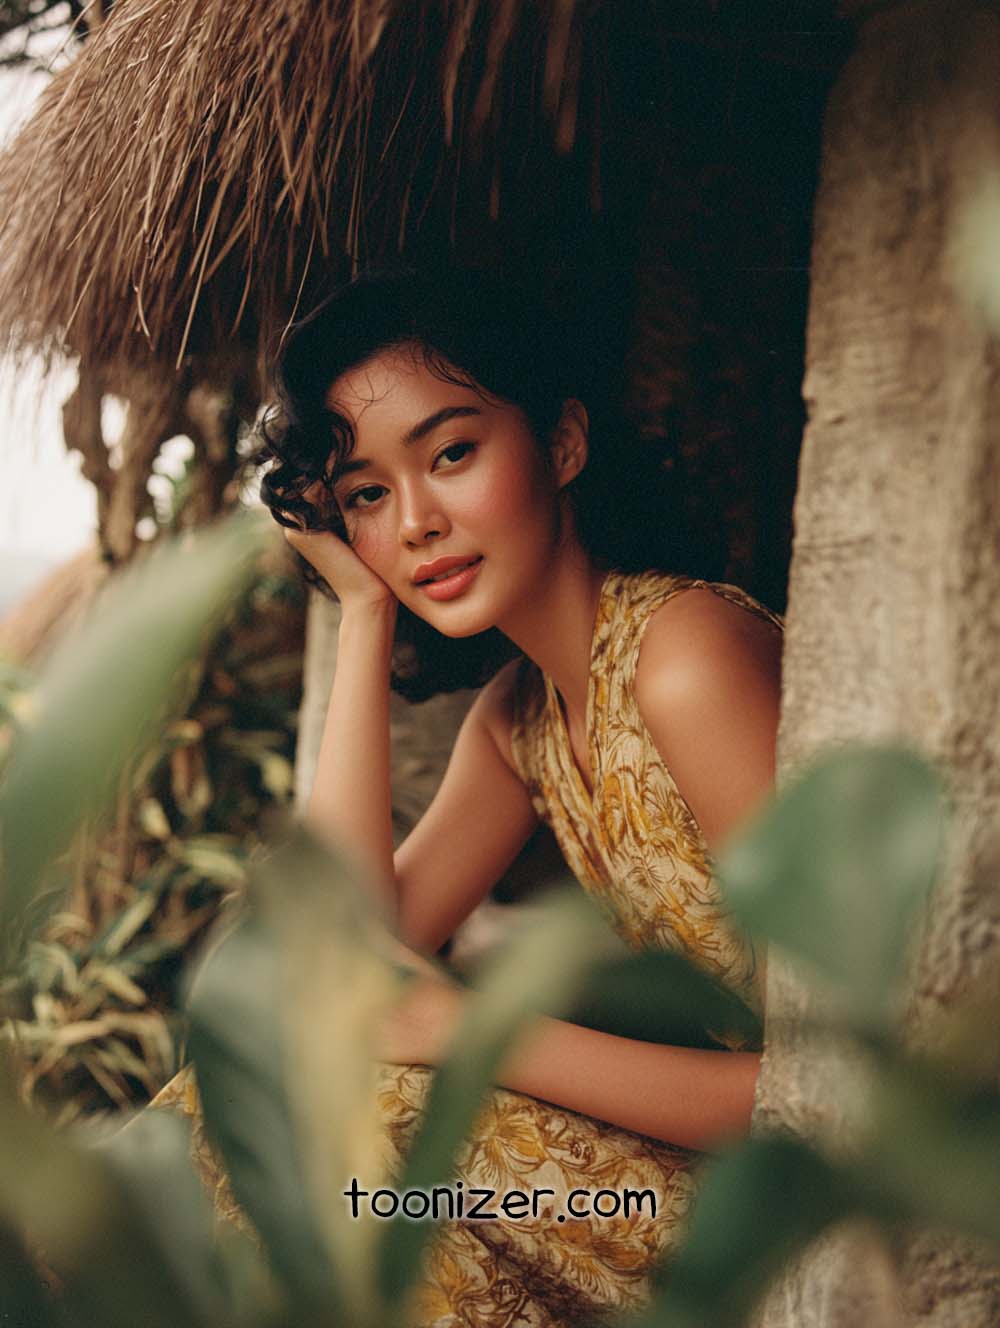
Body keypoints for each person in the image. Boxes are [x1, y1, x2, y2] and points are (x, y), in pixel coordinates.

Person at [148, 268, 783, 1326]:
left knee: (352, 1125)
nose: (416, 522)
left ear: (563, 444)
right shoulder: (517, 718)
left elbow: (845, 1096)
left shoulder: (687, 657)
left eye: (451, 453)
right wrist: (360, 613)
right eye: (366, 494)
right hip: (679, 1180)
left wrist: (466, 1029)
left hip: (807, 1199)